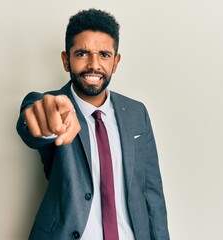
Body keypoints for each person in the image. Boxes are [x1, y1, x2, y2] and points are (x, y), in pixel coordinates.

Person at [16, 8, 170, 240]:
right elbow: (33, 122)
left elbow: (152, 194)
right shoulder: (54, 106)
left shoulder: (137, 113)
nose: (93, 65)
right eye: (82, 54)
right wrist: (46, 121)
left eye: (104, 55)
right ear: (66, 60)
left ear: (116, 62)